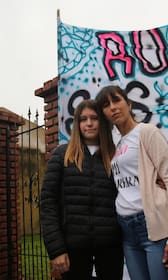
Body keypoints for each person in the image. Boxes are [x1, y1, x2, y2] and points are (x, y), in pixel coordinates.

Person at [95, 85, 168, 280]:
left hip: (152, 226)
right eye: (106, 105)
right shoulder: (118, 145)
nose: (113, 107)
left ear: (128, 104)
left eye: (116, 100)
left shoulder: (147, 132)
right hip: (127, 231)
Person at [40, 99, 124, 280]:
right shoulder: (61, 155)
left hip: (110, 247)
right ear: (77, 123)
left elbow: (132, 188)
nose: (89, 123)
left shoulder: (116, 155)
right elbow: (48, 204)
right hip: (72, 249)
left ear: (102, 122)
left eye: (94, 118)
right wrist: (56, 249)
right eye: (83, 119)